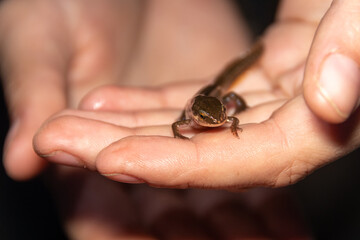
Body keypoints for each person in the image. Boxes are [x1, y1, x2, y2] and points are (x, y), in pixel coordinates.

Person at [1, 0, 359, 238]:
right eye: (210, 120)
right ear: (198, 117)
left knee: (228, 90)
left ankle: (252, 55)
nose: (217, 123)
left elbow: (229, 105)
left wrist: (236, 118)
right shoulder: (189, 120)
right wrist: (180, 138)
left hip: (217, 90)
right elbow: (177, 125)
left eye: (219, 120)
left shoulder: (222, 112)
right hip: (206, 92)